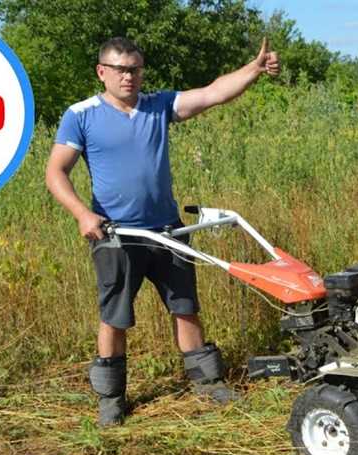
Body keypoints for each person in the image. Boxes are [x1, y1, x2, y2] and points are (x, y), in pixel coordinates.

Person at [45, 36, 280, 425]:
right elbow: (55, 172)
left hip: (168, 231)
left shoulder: (158, 105)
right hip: (117, 236)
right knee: (114, 316)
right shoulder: (81, 114)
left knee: (185, 307)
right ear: (102, 72)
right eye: (120, 69)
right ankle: (111, 397)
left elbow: (212, 94)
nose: (129, 77)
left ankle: (207, 384)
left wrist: (253, 70)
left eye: (135, 69)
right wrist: (83, 215)